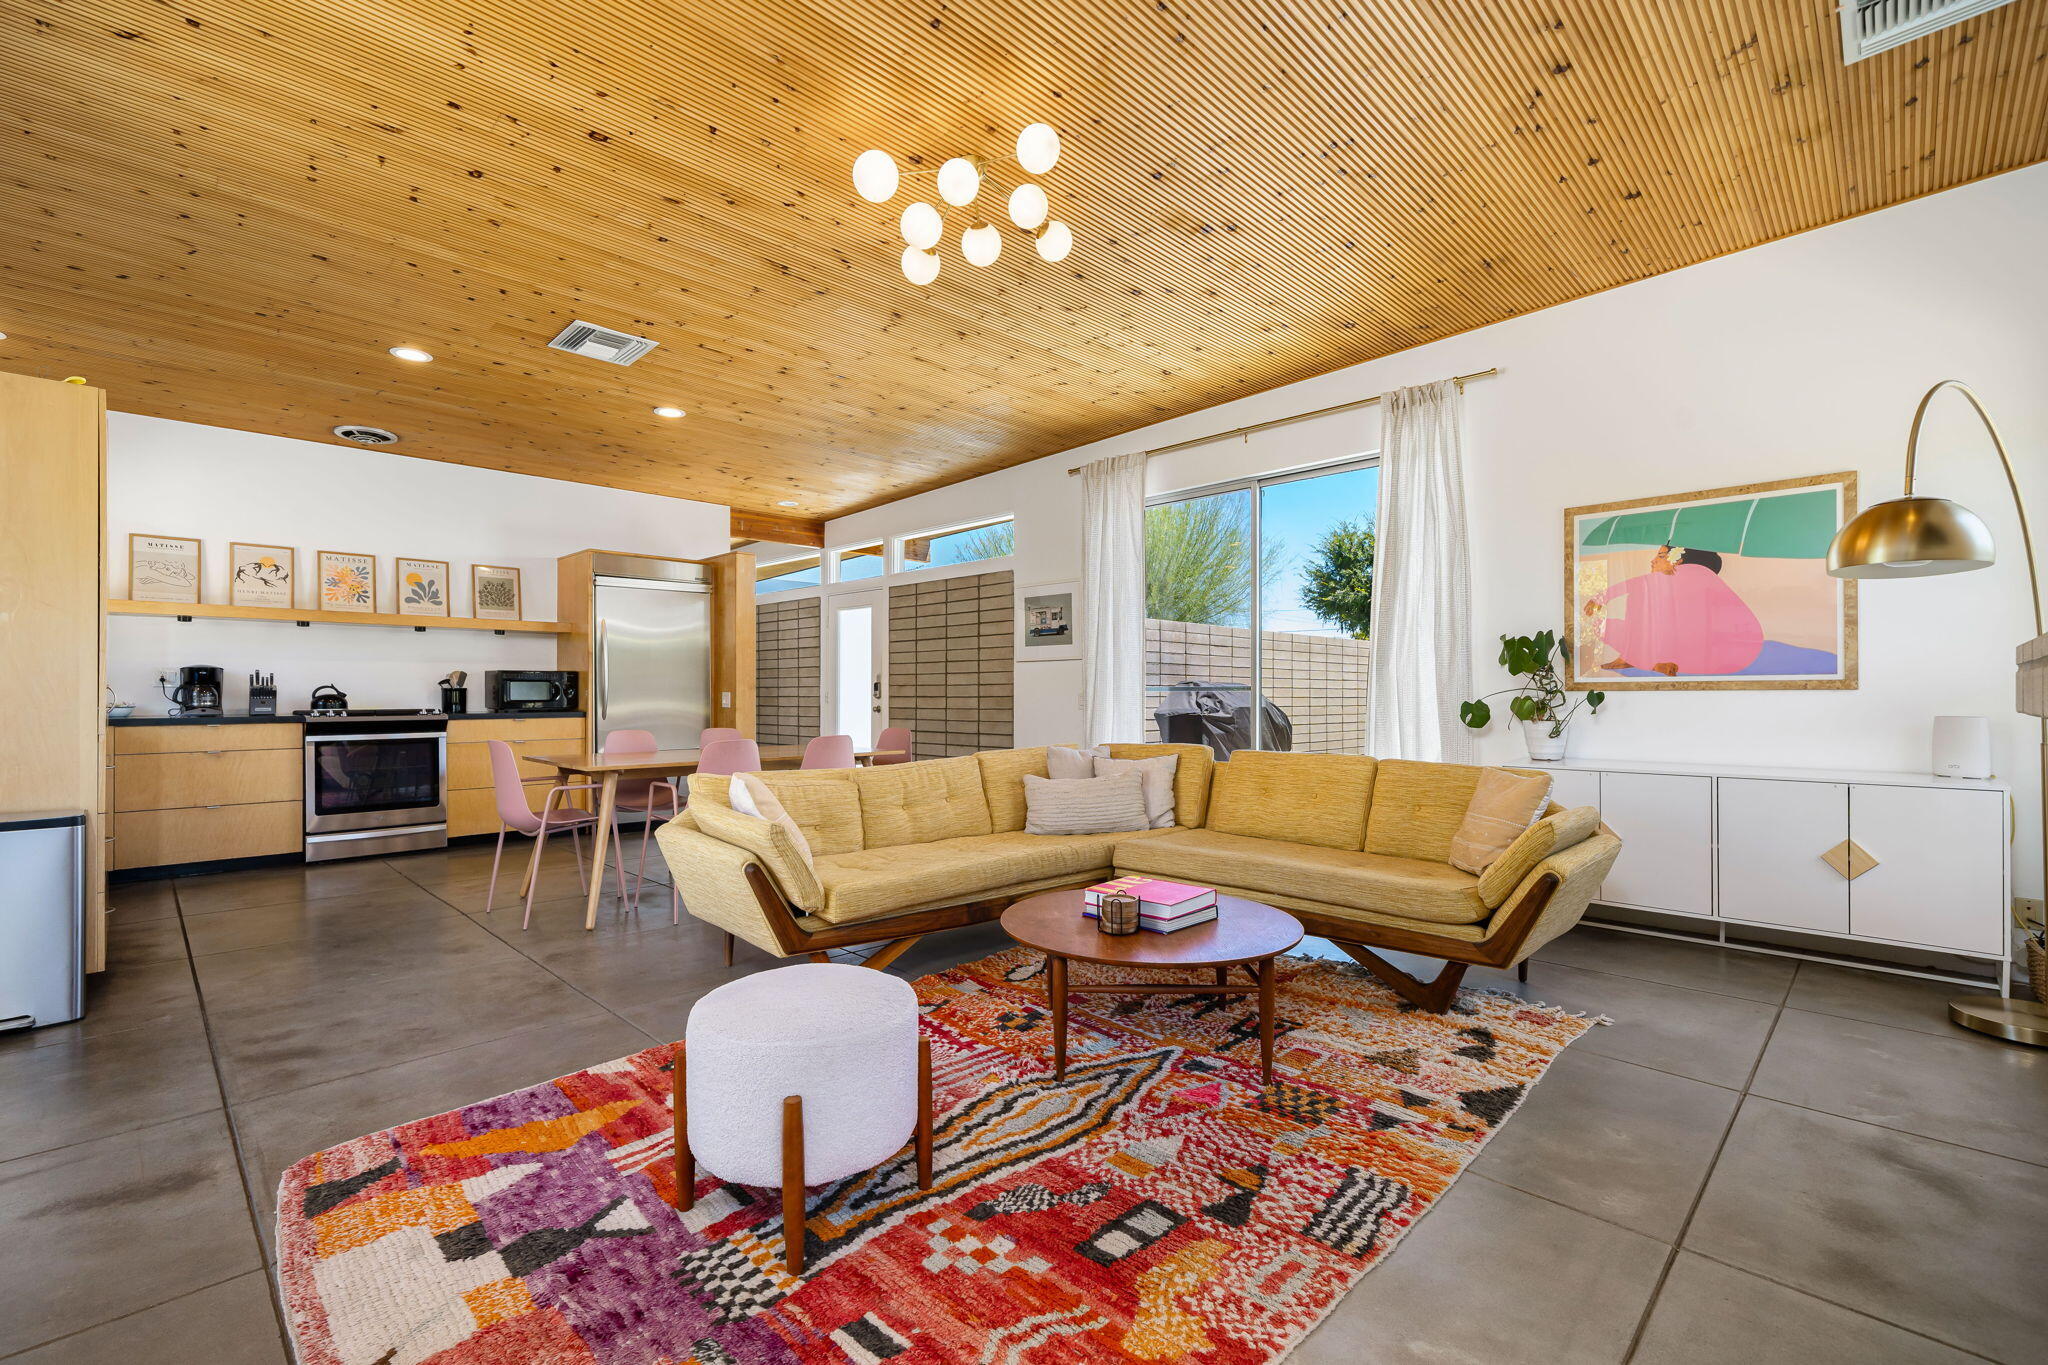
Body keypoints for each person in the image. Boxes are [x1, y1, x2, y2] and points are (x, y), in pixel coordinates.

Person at [1582, 545, 1764, 676]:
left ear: (1678, 562)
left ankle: (1652, 661)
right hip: (1651, 640)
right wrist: (1599, 599)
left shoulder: (1693, 590)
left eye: (1660, 556)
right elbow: (1626, 587)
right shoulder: (1650, 584)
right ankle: (1639, 659)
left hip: (1682, 644)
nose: (1652, 561)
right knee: (1603, 625)